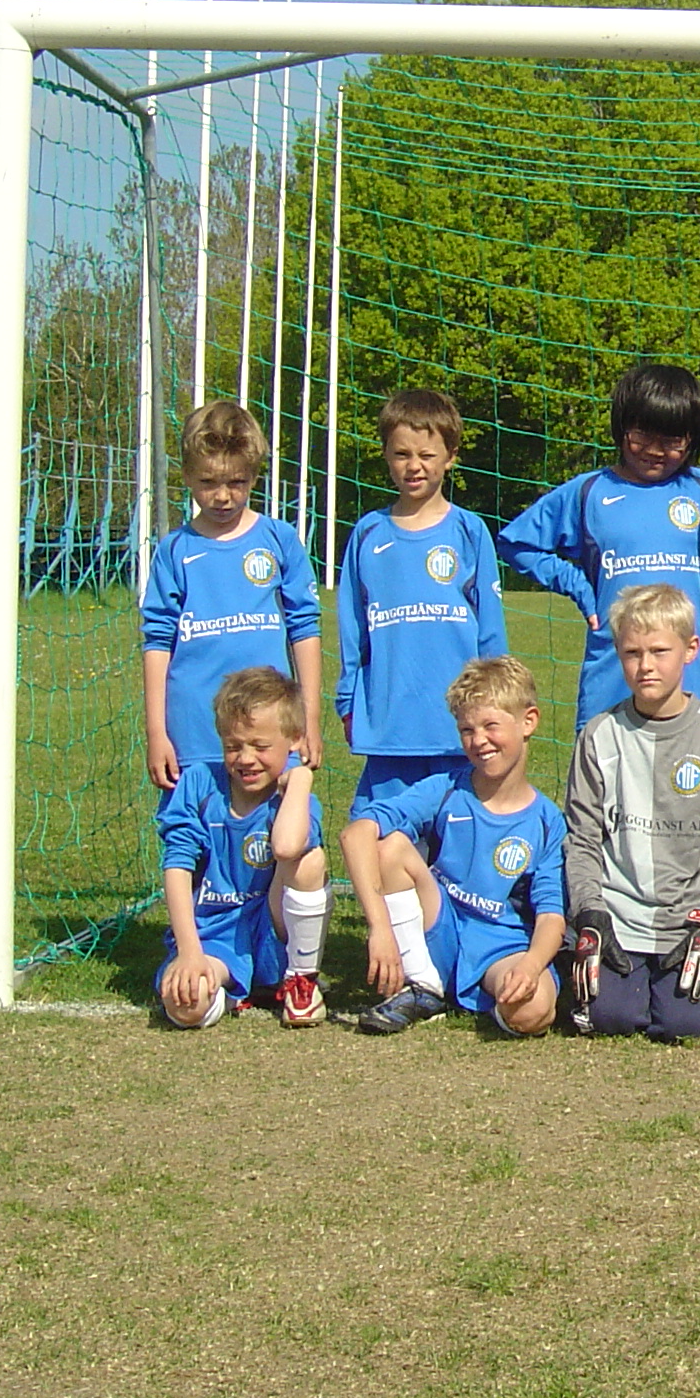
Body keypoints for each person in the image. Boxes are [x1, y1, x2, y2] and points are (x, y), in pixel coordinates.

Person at [334, 389, 511, 1002]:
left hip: (458, 733)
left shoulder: (469, 532)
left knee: (458, 849)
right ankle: (404, 966)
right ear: (385, 456)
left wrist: (495, 704)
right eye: (401, 454)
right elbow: (352, 631)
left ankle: (460, 955)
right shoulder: (368, 534)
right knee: (380, 843)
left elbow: (490, 634)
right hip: (390, 729)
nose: (414, 466)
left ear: (450, 457)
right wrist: (348, 699)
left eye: (427, 455)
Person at [561, 584, 700, 1042]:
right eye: (632, 653)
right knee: (610, 1018)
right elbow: (582, 839)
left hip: (686, 922)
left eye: (658, 651)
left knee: (690, 1025)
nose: (645, 665)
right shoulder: (599, 735)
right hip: (617, 921)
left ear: (691, 649)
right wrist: (590, 912)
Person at [345, 656, 566, 1037]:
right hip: (439, 929)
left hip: (500, 946)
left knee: (534, 1011)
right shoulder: (445, 790)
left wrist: (530, 967)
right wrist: (379, 927)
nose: (478, 741)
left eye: (491, 726)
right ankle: (424, 984)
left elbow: (551, 917)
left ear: (528, 721)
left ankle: (486, 998)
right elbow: (355, 834)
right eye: (467, 729)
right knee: (391, 846)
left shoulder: (547, 821)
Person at [497, 362, 700, 730]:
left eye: (672, 440)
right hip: (611, 679)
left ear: (692, 438)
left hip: (691, 680)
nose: (655, 450)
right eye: (642, 435)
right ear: (621, 427)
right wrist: (580, 588)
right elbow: (516, 542)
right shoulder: (590, 492)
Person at [140, 400, 325, 792]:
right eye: (208, 482)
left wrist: (309, 718)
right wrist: (157, 732)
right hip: (194, 734)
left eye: (236, 482)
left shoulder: (278, 540)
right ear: (187, 475)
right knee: (194, 826)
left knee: (282, 827)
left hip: (269, 734)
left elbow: (305, 629)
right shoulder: (174, 551)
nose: (222, 496)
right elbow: (157, 641)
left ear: (254, 475)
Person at [154, 666, 329, 1029]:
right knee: (185, 1006)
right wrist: (189, 953)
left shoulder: (295, 797)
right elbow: (177, 866)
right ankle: (229, 991)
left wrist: (300, 779)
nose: (246, 758)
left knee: (309, 861)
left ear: (294, 739)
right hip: (215, 934)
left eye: (260, 747)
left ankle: (300, 981)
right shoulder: (200, 784)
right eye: (233, 746)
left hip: (275, 935)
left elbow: (286, 847)